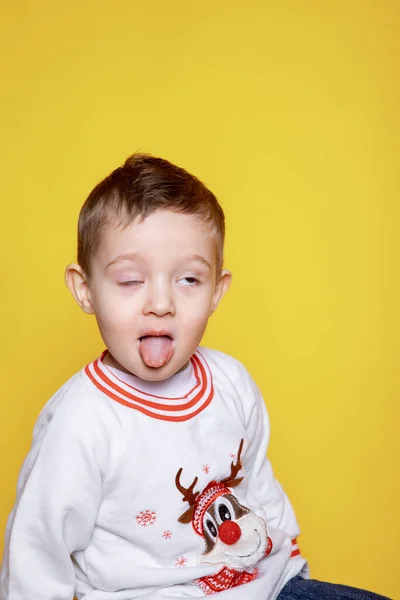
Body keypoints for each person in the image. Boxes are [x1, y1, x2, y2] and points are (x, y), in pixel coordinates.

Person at [0, 154, 390, 600]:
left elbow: (258, 487)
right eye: (130, 280)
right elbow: (36, 550)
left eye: (188, 279)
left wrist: (291, 574)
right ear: (85, 289)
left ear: (216, 292)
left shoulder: (231, 382)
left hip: (261, 586)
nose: (161, 302)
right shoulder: (82, 421)